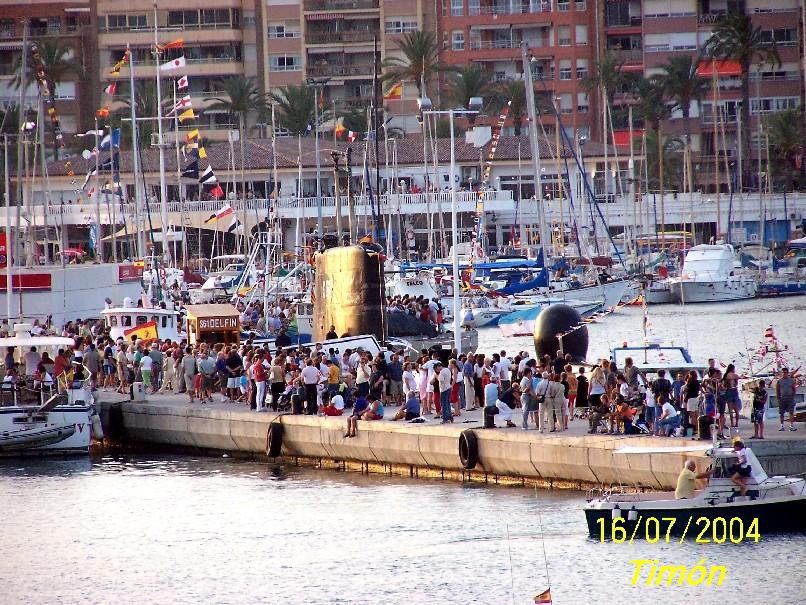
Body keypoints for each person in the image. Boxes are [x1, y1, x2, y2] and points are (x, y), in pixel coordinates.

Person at [776, 367, 798, 432]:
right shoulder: (779, 381)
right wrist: (778, 398)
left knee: (791, 412)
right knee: (781, 413)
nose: (784, 374)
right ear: (781, 373)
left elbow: (794, 389)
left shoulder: (791, 380)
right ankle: (782, 426)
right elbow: (777, 390)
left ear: (787, 373)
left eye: (785, 372)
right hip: (782, 399)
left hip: (790, 399)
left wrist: (792, 396)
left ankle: (791, 426)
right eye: (783, 372)